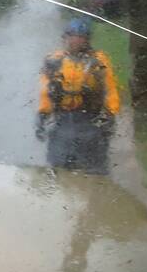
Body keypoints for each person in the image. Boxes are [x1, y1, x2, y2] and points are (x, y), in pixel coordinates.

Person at [36, 18, 121, 174]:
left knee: (95, 169)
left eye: (81, 37)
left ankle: (95, 190)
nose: (76, 40)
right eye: (72, 36)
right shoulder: (54, 60)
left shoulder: (98, 60)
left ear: (87, 39)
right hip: (62, 121)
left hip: (90, 120)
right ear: (65, 38)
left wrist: (110, 115)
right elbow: (45, 91)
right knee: (58, 166)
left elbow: (111, 89)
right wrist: (42, 115)